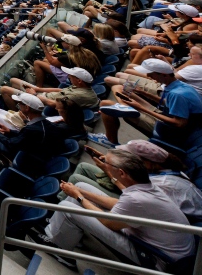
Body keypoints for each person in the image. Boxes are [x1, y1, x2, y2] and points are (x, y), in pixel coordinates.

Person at [32, 148, 194, 268]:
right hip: (167, 247)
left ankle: (60, 250)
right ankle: (65, 233)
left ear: (122, 173)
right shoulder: (146, 186)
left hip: (157, 258)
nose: (104, 163)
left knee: (68, 207)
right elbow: (116, 204)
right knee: (81, 185)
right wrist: (80, 191)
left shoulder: (136, 199)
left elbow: (107, 222)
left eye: (107, 163)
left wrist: (79, 196)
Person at [95, 58, 202, 149]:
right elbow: (169, 104)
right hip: (168, 114)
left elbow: (179, 123)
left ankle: (111, 141)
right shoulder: (179, 86)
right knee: (122, 90)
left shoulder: (177, 94)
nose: (149, 76)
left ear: (164, 75)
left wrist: (142, 107)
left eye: (151, 74)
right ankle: (127, 107)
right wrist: (142, 92)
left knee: (106, 104)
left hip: (175, 132)